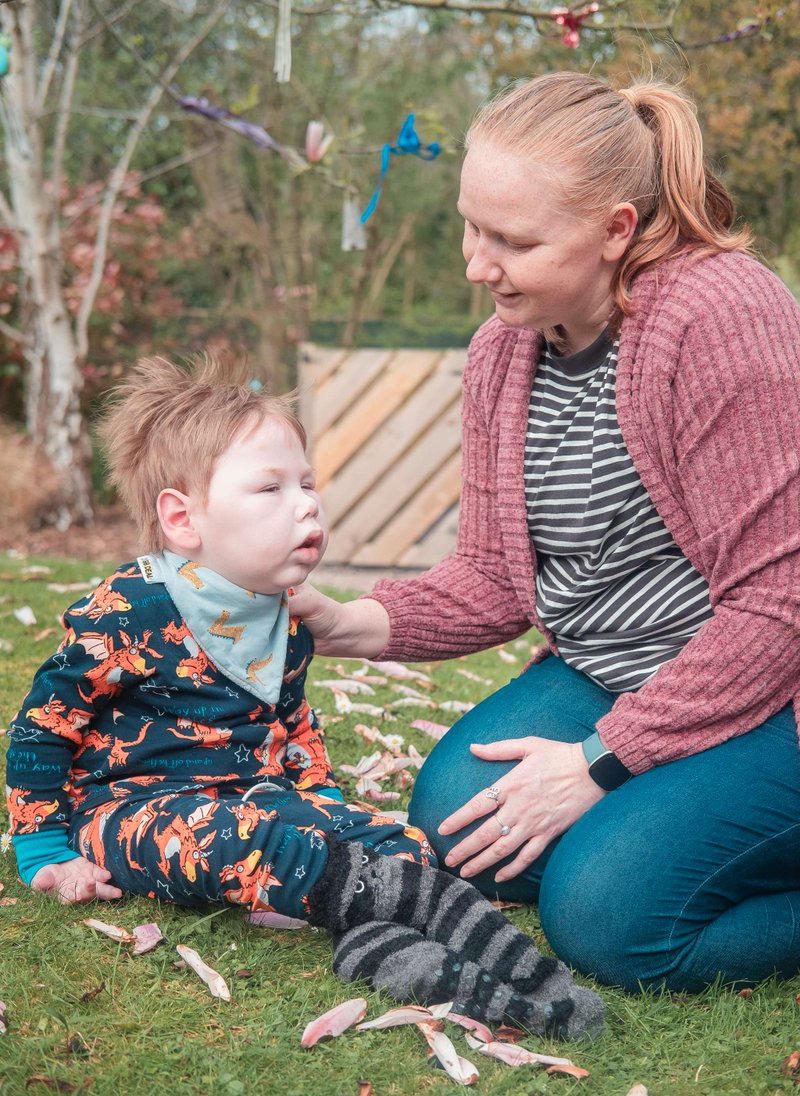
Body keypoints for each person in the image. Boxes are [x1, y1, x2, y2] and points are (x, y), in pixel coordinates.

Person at [290, 72, 800, 996]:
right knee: (456, 833)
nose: (476, 265)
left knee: (606, 917)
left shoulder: (723, 317)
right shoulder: (506, 346)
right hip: (613, 670)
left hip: (771, 693)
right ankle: (658, 821)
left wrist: (601, 763)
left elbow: (779, 604)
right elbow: (495, 574)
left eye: (513, 241)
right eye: (472, 227)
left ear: (617, 229)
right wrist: (347, 623)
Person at [4, 354, 603, 1038]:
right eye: (271, 489)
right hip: (129, 810)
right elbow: (43, 727)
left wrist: (320, 798)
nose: (307, 502)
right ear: (183, 519)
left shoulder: (286, 612)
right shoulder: (130, 608)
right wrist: (44, 846)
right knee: (237, 840)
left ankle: (378, 944)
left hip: (254, 793)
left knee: (397, 838)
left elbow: (292, 720)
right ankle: (391, 902)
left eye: (308, 483)